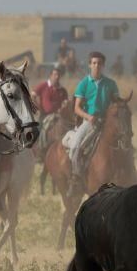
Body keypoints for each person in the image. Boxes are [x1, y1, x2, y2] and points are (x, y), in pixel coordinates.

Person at [69, 52, 120, 195]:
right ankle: (76, 178)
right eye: (94, 63)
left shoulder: (111, 84)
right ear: (89, 65)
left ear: (103, 65)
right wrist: (88, 117)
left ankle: (127, 171)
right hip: (89, 122)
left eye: (99, 63)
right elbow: (76, 108)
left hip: (107, 123)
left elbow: (117, 103)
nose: (97, 66)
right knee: (74, 147)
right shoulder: (84, 84)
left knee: (124, 143)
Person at [33, 63, 70, 151]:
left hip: (58, 115)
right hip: (44, 114)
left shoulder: (63, 90)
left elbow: (66, 102)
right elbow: (32, 95)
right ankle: (38, 149)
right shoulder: (43, 85)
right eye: (55, 75)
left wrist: (64, 106)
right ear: (50, 75)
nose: (57, 77)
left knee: (67, 128)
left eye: (58, 75)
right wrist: (37, 107)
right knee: (39, 128)